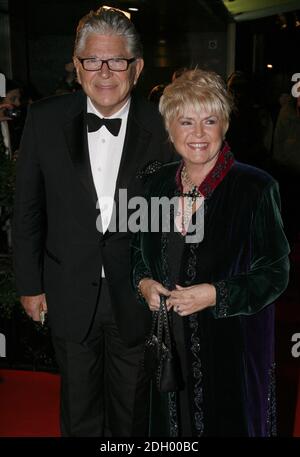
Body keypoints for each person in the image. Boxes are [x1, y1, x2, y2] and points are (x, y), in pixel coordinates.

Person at [13, 7, 175, 437]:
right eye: (92, 60)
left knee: (133, 413)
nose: (105, 72)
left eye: (117, 60)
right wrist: (30, 285)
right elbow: (27, 208)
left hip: (138, 293)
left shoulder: (164, 126)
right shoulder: (45, 119)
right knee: (79, 409)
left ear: (136, 68)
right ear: (77, 64)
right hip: (67, 290)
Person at [132, 69, 290, 436]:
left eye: (210, 120)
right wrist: (142, 284)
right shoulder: (155, 184)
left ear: (225, 124)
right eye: (186, 122)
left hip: (230, 349)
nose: (199, 134)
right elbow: (138, 255)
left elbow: (276, 272)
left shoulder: (255, 188)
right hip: (169, 344)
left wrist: (216, 294)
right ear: (170, 130)